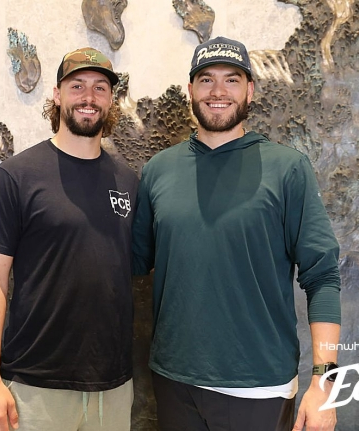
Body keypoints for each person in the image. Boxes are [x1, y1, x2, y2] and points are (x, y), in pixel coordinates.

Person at [132, 36, 341, 431]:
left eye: (231, 79)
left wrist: (324, 384)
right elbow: (131, 262)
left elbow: (324, 277)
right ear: (190, 90)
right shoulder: (158, 171)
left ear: (250, 90)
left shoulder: (287, 169)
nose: (218, 91)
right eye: (206, 79)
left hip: (258, 386)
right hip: (174, 380)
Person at [0, 47, 138, 431]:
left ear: (111, 100)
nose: (88, 96)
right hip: (35, 387)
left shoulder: (128, 181)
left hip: (113, 388)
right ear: (57, 94)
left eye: (100, 88)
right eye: (77, 85)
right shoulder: (17, 175)